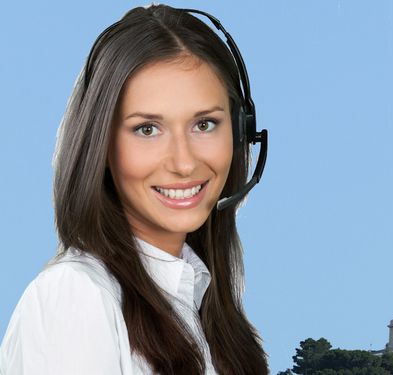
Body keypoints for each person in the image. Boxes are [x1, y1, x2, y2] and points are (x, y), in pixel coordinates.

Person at [0, 4, 268, 374]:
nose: (184, 162)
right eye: (147, 129)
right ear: (101, 145)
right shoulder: (77, 298)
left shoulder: (205, 307)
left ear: (240, 132)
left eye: (204, 124)